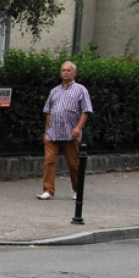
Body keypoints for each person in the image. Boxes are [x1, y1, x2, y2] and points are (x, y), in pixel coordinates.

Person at [40, 61, 93, 200]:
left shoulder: (81, 89)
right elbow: (48, 112)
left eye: (68, 70)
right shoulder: (54, 91)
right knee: (49, 161)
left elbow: (86, 110)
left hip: (71, 132)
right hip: (53, 132)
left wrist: (79, 127)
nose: (65, 72)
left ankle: (77, 189)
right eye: (63, 70)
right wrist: (46, 132)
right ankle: (48, 190)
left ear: (74, 73)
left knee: (73, 163)